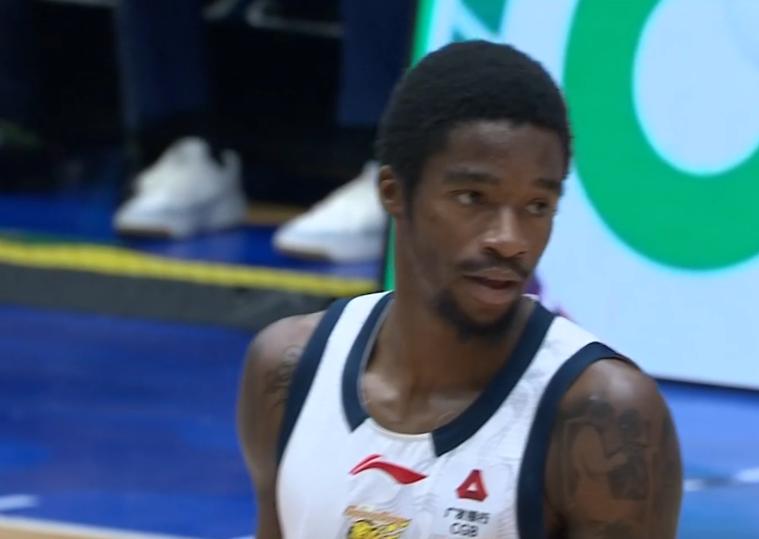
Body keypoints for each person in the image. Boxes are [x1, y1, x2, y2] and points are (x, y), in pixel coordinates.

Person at [238, 40, 682, 539]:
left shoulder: (603, 416)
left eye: (537, 206)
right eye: (474, 198)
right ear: (394, 192)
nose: (510, 240)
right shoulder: (287, 371)